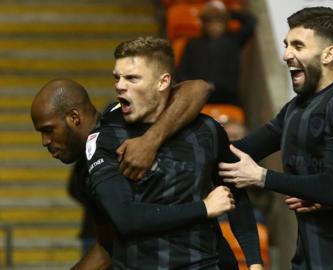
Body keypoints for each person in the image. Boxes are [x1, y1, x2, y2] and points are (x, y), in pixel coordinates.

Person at [216, 7, 333, 269]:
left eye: (298, 46)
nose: (286, 55)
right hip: (308, 257)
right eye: (285, 45)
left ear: (328, 54)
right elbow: (238, 151)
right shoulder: (296, 108)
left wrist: (262, 177)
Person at [85, 36, 263, 269]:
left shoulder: (206, 129)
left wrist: (254, 262)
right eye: (117, 77)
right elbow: (125, 218)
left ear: (163, 82)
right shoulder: (106, 138)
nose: (120, 85)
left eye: (132, 78)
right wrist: (203, 208)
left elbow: (237, 195)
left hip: (205, 263)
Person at [29, 77, 236, 269]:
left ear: (74, 117)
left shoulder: (122, 118)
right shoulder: (86, 171)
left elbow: (197, 88)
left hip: (206, 258)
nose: (44, 141)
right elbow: (109, 243)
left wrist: (150, 140)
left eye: (48, 130)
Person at [176, 0, 256, 105]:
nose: (214, 26)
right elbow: (181, 74)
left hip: (227, 98)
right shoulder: (192, 44)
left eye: (219, 22)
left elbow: (250, 22)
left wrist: (226, 12)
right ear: (204, 24)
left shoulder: (233, 41)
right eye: (210, 22)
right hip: (197, 99)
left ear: (225, 23)